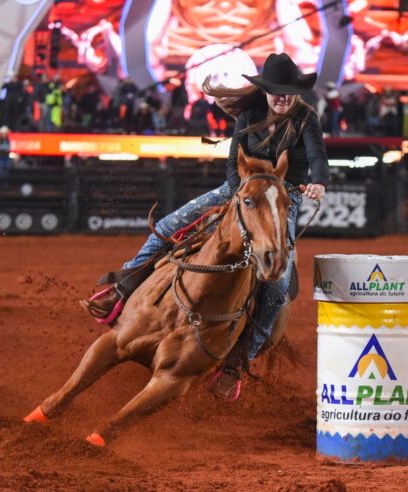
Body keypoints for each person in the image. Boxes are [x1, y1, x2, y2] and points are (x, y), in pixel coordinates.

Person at [83, 52, 328, 394]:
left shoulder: (306, 118)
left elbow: (317, 157)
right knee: (168, 226)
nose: (283, 97)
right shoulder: (249, 113)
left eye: (288, 91)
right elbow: (233, 162)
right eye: (276, 91)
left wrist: (318, 181)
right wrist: (239, 190)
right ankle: (122, 286)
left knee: (276, 284)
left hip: (282, 196)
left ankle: (236, 363)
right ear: (266, 92)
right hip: (239, 187)